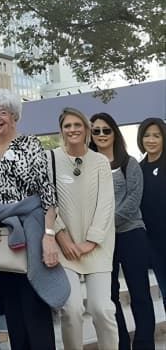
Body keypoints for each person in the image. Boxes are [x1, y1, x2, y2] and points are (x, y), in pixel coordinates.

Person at [0, 89, 66, 350]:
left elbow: (47, 193)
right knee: (12, 311)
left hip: (31, 233)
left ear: (14, 117)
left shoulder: (30, 145)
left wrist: (49, 236)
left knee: (34, 308)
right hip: (1, 240)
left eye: (3, 112)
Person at [52, 107, 118, 350]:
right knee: (71, 309)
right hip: (64, 247)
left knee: (102, 309)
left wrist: (91, 241)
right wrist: (64, 239)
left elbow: (106, 204)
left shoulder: (100, 161)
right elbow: (47, 203)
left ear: (86, 129)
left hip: (96, 247)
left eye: (77, 125)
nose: (73, 130)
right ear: (61, 130)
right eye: (67, 126)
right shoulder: (51, 159)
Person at [89, 112, 155, 350]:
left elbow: (133, 201)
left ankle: (145, 345)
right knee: (110, 298)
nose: (101, 135)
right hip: (101, 243)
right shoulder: (86, 166)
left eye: (106, 130)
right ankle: (121, 345)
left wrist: (104, 226)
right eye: (96, 130)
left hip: (131, 235)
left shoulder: (130, 164)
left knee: (140, 295)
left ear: (114, 132)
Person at [138, 117, 166, 314]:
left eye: (156, 135)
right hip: (156, 246)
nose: (151, 140)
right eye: (147, 135)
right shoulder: (138, 170)